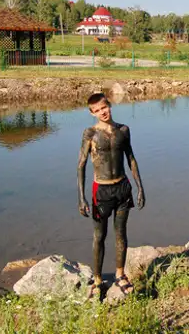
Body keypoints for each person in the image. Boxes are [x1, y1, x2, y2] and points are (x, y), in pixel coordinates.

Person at [77, 92, 145, 300]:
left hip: (122, 188)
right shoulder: (90, 134)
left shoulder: (124, 130)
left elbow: (131, 159)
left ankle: (120, 275)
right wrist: (82, 198)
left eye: (104, 107)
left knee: (121, 234)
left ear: (109, 105)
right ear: (91, 113)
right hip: (102, 191)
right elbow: (81, 165)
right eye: (97, 110)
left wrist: (140, 187)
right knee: (99, 237)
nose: (102, 112)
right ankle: (97, 279)